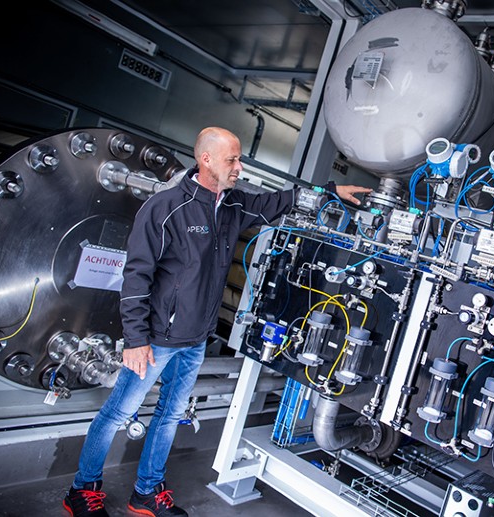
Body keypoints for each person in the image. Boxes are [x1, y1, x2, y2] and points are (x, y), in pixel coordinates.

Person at [63, 127, 372, 517]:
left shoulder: (233, 205)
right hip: (156, 339)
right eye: (232, 160)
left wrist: (331, 191)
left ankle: (145, 493)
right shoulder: (165, 208)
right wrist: (136, 338)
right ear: (206, 159)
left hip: (194, 340)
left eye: (239, 159)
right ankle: (82, 489)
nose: (239, 168)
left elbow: (278, 201)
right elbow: (136, 276)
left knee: (171, 415)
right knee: (117, 414)